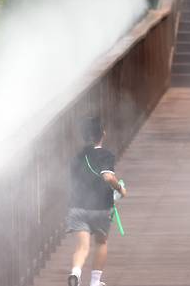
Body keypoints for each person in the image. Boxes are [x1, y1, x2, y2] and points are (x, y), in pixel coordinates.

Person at [66, 117, 127, 286]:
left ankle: (76, 273)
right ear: (103, 134)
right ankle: (95, 282)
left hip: (77, 206)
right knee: (101, 242)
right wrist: (120, 189)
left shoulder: (76, 157)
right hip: (100, 207)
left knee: (82, 247)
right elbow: (107, 176)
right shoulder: (105, 155)